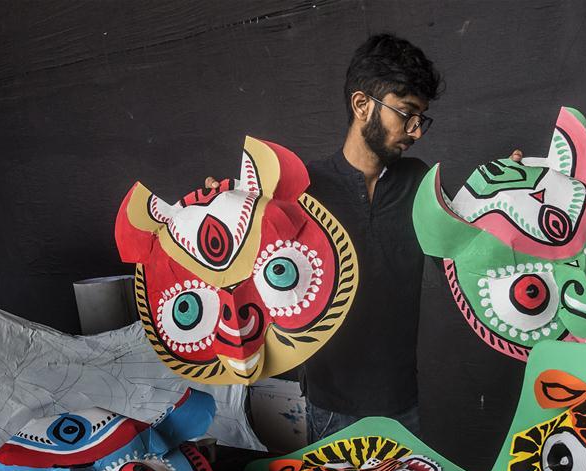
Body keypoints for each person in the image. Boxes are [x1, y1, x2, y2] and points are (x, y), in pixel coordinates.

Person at [208, 34, 521, 443]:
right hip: (328, 404)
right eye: (406, 113)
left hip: (402, 403)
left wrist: (502, 196)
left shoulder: (420, 183)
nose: (416, 131)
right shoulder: (301, 189)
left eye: (421, 118)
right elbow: (244, 261)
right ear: (362, 105)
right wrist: (219, 213)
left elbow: (468, 243)